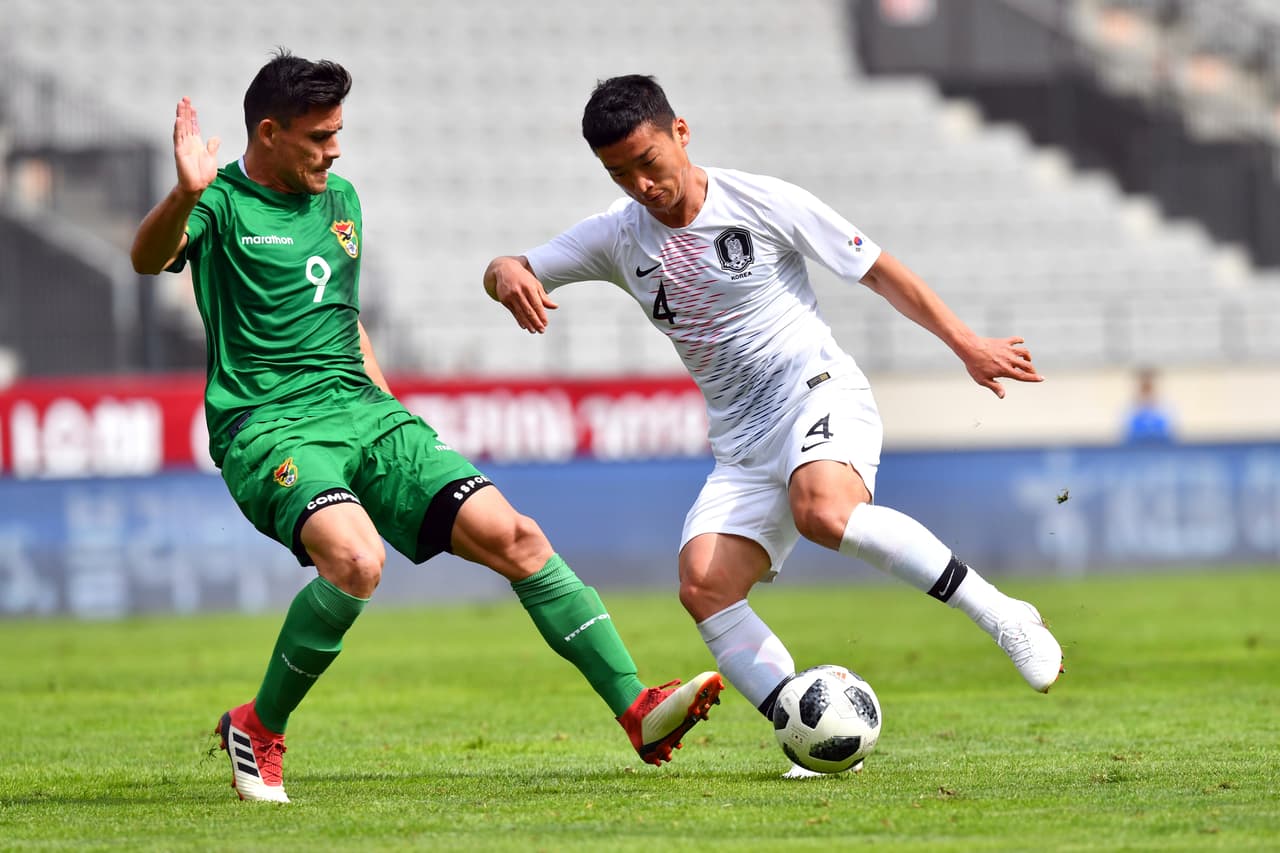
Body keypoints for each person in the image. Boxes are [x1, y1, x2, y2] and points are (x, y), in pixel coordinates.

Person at [130, 54, 722, 803]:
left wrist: (392, 411)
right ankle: (261, 724)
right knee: (355, 558)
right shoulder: (217, 202)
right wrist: (185, 193)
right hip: (271, 425)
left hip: (369, 416)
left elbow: (341, 320)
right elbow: (147, 258)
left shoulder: (340, 198)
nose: (334, 150)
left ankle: (637, 709)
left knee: (519, 537)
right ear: (270, 134)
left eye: (338, 133)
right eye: (318, 137)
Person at [484, 74, 1064, 778]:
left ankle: (1005, 614)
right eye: (619, 172)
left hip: (817, 390)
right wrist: (504, 273)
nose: (641, 184)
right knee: (703, 585)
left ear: (681, 133)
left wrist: (965, 343)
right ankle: (811, 735)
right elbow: (510, 265)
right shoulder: (616, 236)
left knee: (823, 510)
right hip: (742, 441)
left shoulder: (760, 201)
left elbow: (878, 270)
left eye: (648, 162)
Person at [1123, 367, 1176, 444]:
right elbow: (1126, 435)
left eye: (1149, 385)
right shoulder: (1129, 409)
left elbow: (1171, 433)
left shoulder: (1165, 408)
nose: (1147, 388)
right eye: (1144, 385)